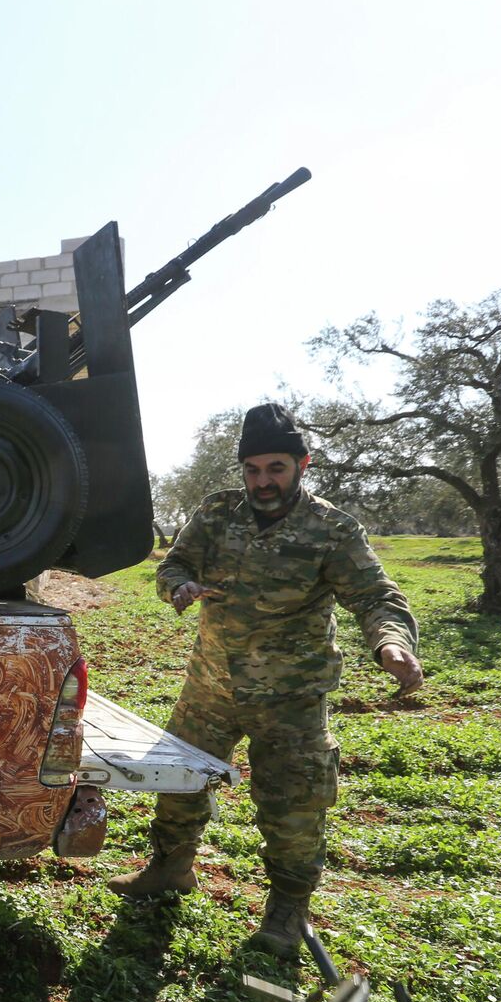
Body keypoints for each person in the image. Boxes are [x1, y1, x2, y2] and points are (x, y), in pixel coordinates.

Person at [107, 403, 425, 960]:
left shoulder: (331, 529)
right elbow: (173, 566)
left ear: (303, 464)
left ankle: (286, 911)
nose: (263, 482)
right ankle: (170, 867)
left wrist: (390, 642)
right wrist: (177, 588)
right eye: (253, 471)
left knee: (293, 806)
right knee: (178, 784)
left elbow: (376, 597)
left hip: (291, 697)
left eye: (275, 468)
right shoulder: (216, 514)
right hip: (211, 686)